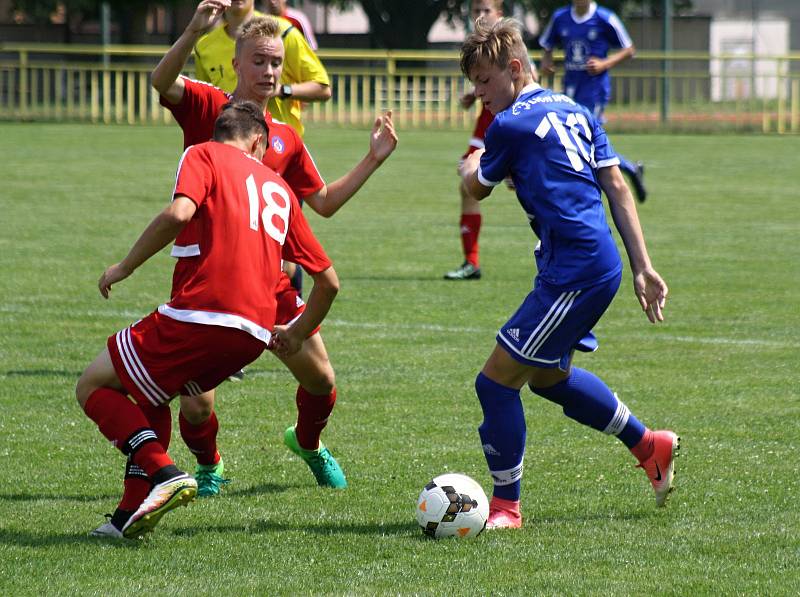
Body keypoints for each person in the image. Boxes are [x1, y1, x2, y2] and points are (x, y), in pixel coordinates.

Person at [124, 6, 391, 513]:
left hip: (269, 284)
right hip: (206, 276)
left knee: (322, 382)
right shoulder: (209, 107)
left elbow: (325, 201)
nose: (270, 73)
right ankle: (209, 466)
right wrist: (190, 32)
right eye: (260, 62)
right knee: (197, 401)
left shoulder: (284, 137)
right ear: (237, 63)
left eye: (277, 64)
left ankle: (308, 443)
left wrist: (373, 159)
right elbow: (161, 81)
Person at [81, 101, 339, 539]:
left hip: (205, 311)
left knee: (91, 385)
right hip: (255, 333)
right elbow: (329, 282)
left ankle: (166, 473)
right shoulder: (277, 185)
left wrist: (124, 266)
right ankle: (127, 515)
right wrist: (293, 333)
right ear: (259, 141)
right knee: (154, 396)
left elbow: (179, 213)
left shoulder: (202, 153)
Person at [457, 17, 678, 529]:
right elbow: (617, 188)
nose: (481, 94)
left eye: (485, 81)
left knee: (495, 384)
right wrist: (643, 266)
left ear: (514, 68)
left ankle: (506, 507)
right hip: (595, 262)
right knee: (549, 379)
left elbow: (477, 187)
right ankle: (650, 445)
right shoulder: (576, 111)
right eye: (474, 85)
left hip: (573, 272)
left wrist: (472, 163)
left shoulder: (509, 124)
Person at [538, 0, 647, 202]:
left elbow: (630, 49)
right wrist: (547, 60)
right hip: (571, 88)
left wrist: (605, 63)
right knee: (577, 140)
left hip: (595, 89)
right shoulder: (560, 18)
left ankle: (584, 189)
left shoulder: (605, 18)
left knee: (586, 139)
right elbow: (547, 44)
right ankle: (629, 169)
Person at [193, 0, 330, 138]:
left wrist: (282, 90)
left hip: (281, 146)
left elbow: (323, 88)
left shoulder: (282, 32)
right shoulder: (204, 46)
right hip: (232, 144)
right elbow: (204, 107)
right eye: (259, 61)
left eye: (275, 63)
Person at [443, 0, 504, 282]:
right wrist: (473, 95)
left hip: (508, 128)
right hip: (486, 129)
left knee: (530, 188)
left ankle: (556, 251)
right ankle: (471, 261)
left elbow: (529, 80)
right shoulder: (480, 48)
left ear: (499, 14)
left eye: (486, 10)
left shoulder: (509, 44)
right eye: (476, 10)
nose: (480, 15)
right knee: (467, 186)